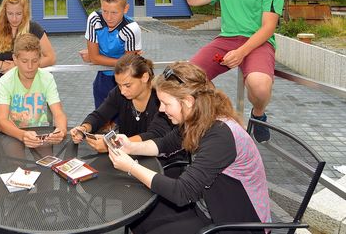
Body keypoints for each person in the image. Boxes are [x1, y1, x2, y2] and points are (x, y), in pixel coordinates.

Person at [108, 61, 270, 234]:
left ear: (188, 101)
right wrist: (131, 147)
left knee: (149, 221)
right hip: (210, 204)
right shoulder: (198, 119)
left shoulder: (220, 135)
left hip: (237, 222)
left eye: (166, 103)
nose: (161, 110)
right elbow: (165, 144)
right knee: (139, 216)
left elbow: (182, 192)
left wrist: (132, 167)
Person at [177, 0, 284, 141]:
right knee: (186, 77)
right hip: (226, 40)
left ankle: (258, 115)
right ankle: (225, 122)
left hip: (258, 41)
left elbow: (268, 27)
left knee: (259, 86)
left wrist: (242, 52)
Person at [70, 54, 173, 153]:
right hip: (128, 156)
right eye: (119, 85)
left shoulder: (161, 99)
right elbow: (100, 115)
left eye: (127, 85)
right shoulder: (119, 93)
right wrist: (84, 129)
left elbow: (155, 134)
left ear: (144, 77)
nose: (123, 91)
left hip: (161, 159)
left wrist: (114, 144)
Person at [0, 33, 67, 147]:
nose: (30, 66)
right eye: (24, 61)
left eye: (34, 61)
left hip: (39, 130)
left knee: (46, 158)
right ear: (15, 59)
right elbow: (1, 120)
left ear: (40, 59)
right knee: (15, 160)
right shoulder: (5, 81)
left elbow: (58, 113)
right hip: (13, 132)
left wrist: (61, 131)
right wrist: (22, 135)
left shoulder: (47, 78)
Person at [83, 0, 143, 110]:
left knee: (123, 124)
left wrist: (97, 56)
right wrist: (124, 60)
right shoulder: (94, 19)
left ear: (125, 9)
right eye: (104, 11)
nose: (109, 17)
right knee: (101, 123)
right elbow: (95, 58)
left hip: (125, 81)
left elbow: (127, 67)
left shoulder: (131, 29)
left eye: (114, 12)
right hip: (102, 79)